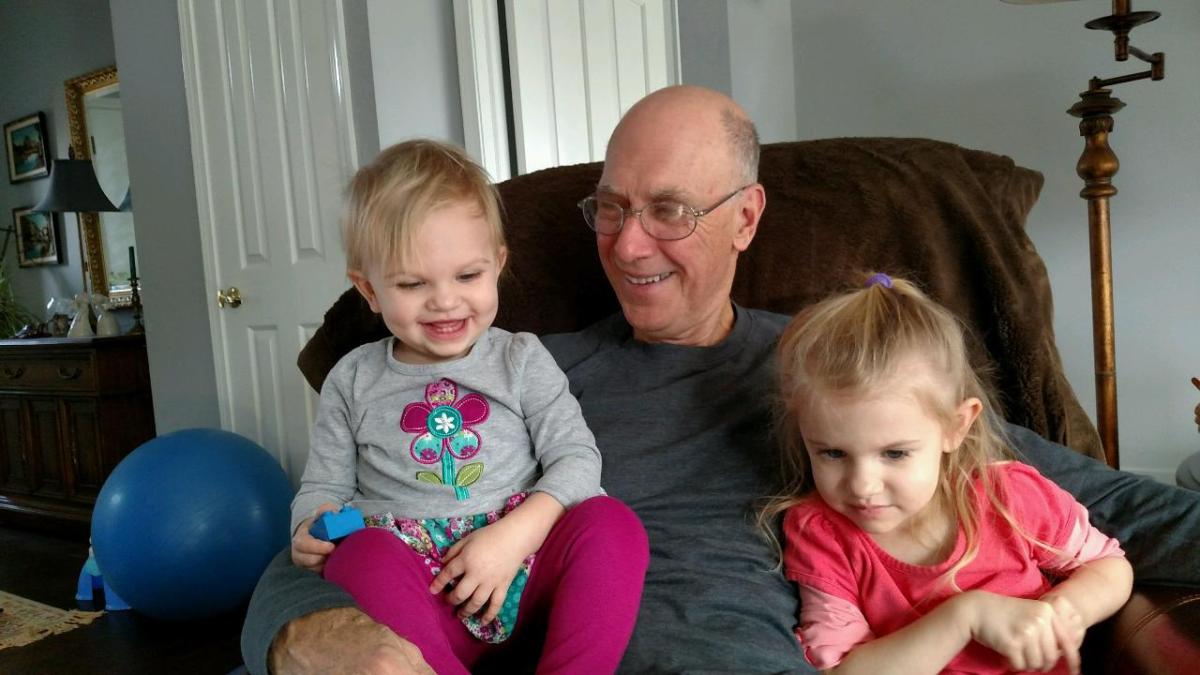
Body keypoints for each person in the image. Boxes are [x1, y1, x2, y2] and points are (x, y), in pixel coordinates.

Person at [242, 86, 1200, 675]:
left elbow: (1088, 498)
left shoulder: (835, 374)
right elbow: (336, 540)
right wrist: (312, 640)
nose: (627, 245)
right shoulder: (524, 375)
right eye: (610, 207)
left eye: (669, 211)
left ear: (746, 219)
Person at [286, 139, 648, 674]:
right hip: (424, 597)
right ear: (369, 289)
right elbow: (324, 486)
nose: (445, 300)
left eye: (467, 276)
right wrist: (308, 525)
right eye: (413, 283)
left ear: (497, 265)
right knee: (359, 555)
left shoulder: (521, 359)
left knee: (613, 524)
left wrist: (515, 536)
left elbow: (577, 459)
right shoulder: (353, 379)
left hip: (524, 566)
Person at [764, 274, 1132, 674]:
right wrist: (964, 618)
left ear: (956, 427)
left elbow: (1110, 566)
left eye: (895, 453)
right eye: (833, 453)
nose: (862, 485)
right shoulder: (823, 535)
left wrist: (1061, 611)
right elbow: (841, 670)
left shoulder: (1010, 496)